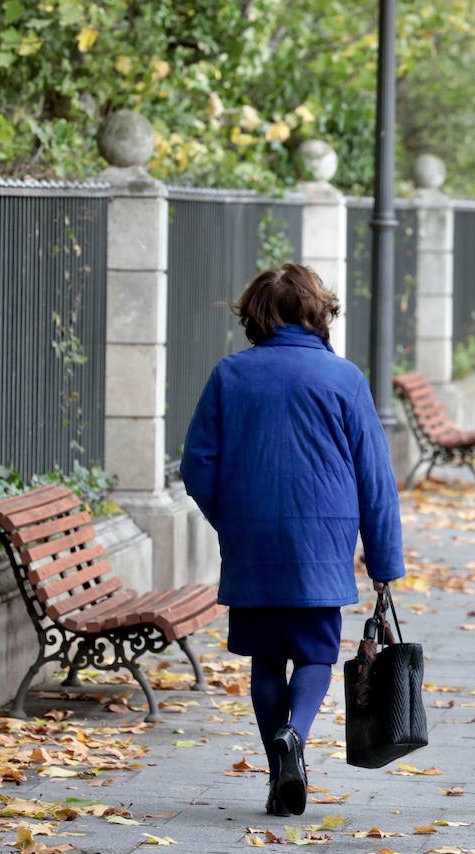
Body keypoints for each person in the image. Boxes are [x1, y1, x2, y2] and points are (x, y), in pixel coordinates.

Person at [180, 264, 405, 818]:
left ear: (257, 314)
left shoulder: (230, 376)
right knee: (314, 656)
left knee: (264, 661)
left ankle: (280, 768)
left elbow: (196, 466)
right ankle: (295, 740)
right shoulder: (343, 379)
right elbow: (374, 478)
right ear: (315, 312)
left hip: (252, 542)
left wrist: (231, 519)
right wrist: (383, 559)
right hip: (321, 545)